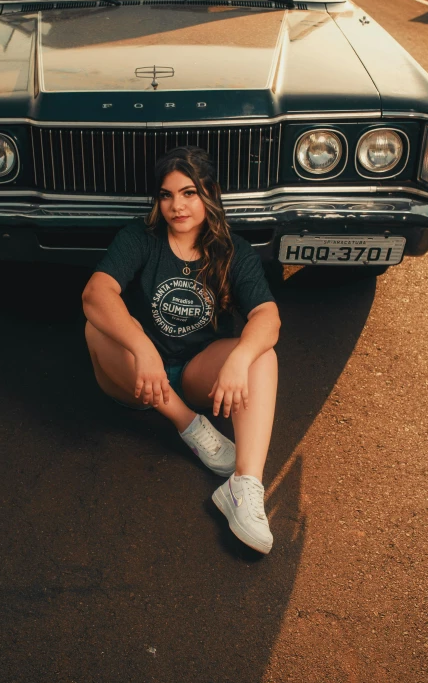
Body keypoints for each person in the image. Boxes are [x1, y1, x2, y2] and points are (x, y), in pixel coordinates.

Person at [82, 147, 280, 554]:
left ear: (209, 194)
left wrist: (240, 357)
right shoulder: (140, 238)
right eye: (166, 195)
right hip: (135, 377)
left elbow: (267, 316)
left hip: (193, 373)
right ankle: (189, 425)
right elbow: (95, 293)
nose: (177, 206)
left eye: (188, 193)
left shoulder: (232, 250)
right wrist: (142, 348)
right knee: (97, 325)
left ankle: (244, 488)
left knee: (262, 354)